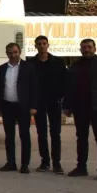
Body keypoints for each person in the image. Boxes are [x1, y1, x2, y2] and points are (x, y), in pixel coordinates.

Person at [63, 38, 97, 181]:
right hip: (79, 108)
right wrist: (67, 106)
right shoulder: (75, 66)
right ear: (80, 49)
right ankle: (81, 167)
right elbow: (69, 88)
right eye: (84, 47)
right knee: (81, 139)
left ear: (95, 48)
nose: (86, 50)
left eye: (89, 47)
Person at [0, 42, 39, 174]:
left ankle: (25, 164)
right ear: (6, 53)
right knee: (9, 136)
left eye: (15, 52)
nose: (13, 55)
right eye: (10, 52)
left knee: (24, 135)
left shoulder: (29, 67)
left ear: (19, 52)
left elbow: (35, 87)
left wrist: (33, 106)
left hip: (23, 106)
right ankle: (11, 163)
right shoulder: (2, 68)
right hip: (7, 105)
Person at [30, 35, 67, 173]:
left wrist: (61, 97)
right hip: (38, 102)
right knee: (41, 133)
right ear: (35, 46)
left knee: (55, 133)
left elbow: (65, 80)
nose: (42, 46)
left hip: (54, 102)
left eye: (44, 43)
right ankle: (45, 162)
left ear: (48, 45)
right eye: (39, 44)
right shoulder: (31, 63)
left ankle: (57, 163)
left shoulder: (58, 62)